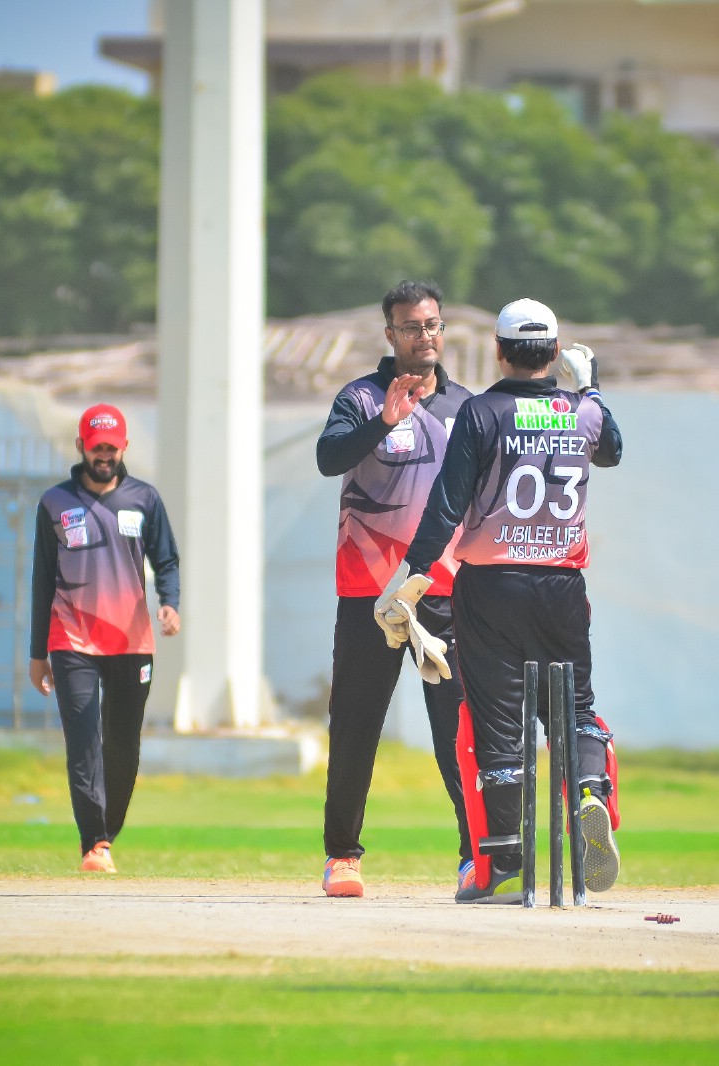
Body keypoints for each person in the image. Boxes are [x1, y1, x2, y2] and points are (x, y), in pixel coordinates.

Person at [378, 297, 623, 904]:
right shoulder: (582, 412)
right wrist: (589, 388)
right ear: (555, 352)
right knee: (576, 707)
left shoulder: (481, 413)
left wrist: (413, 574)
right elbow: (612, 448)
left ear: (498, 351)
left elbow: (448, 501)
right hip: (561, 585)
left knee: (497, 723)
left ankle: (503, 859)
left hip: (490, 586)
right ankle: (589, 790)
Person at [314, 280, 475, 899]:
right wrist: (383, 422)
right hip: (369, 592)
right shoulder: (361, 397)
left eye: (432, 325)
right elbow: (330, 458)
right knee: (355, 727)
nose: (423, 336)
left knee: (458, 732)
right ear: (390, 334)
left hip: (444, 593)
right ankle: (342, 857)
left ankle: (475, 856)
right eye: (411, 327)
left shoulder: (466, 406)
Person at [29, 402, 182, 874]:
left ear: (124, 448)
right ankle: (93, 842)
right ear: (81, 446)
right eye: (97, 448)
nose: (104, 456)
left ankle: (107, 834)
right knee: (82, 740)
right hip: (71, 640)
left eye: (112, 448)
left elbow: (166, 560)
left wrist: (170, 603)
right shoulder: (55, 503)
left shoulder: (144, 499)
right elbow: (42, 579)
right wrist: (37, 654)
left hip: (132, 642)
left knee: (122, 746)